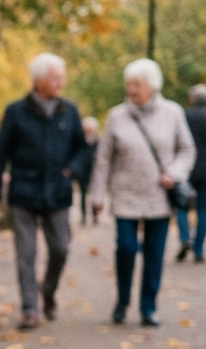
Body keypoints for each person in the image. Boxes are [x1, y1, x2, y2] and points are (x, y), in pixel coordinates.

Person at [88, 59, 196, 326]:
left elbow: (187, 149)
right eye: (129, 84)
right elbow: (103, 158)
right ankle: (123, 301)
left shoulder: (172, 113)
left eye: (137, 84)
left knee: (154, 253)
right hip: (125, 194)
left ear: (152, 87)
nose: (131, 89)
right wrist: (97, 194)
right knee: (125, 248)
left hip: (159, 195)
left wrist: (175, 173)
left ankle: (149, 307)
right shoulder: (116, 116)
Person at [0, 52, 90, 330]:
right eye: (55, 77)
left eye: (61, 77)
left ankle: (48, 291)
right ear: (38, 81)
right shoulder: (16, 112)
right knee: (26, 253)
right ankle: (30, 308)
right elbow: (0, 154)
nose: (60, 82)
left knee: (61, 249)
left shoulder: (70, 110)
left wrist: (72, 170)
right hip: (24, 191)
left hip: (57, 193)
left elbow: (82, 148)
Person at [175, 85, 206, 262]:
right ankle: (198, 248)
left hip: (185, 169)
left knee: (181, 206)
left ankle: (185, 238)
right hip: (205, 173)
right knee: (203, 209)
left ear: (192, 99)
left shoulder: (183, 116)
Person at [78, 116, 99, 225]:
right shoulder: (80, 141)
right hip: (83, 172)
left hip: (95, 171)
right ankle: (83, 216)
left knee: (95, 194)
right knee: (83, 195)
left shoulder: (98, 141)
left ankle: (95, 216)